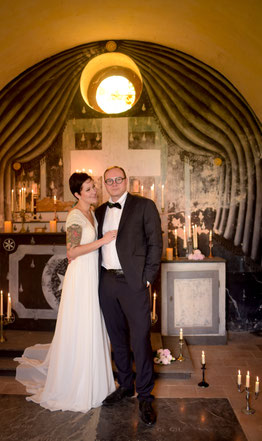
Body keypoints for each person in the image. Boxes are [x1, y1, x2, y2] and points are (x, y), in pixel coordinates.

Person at [15, 172, 117, 412]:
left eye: (93, 187)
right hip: (80, 278)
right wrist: (103, 240)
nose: (94, 192)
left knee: (92, 325)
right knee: (82, 326)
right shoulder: (74, 217)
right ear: (77, 194)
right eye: (89, 189)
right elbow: (71, 252)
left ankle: (97, 383)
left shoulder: (91, 212)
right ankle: (77, 386)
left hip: (92, 276)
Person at [95, 166, 163, 426]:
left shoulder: (144, 206)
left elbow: (155, 242)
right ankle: (125, 385)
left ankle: (145, 395)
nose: (113, 183)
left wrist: (147, 277)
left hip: (134, 281)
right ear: (105, 184)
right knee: (117, 337)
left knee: (140, 338)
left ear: (126, 181)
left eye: (118, 179)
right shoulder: (99, 211)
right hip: (107, 281)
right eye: (109, 180)